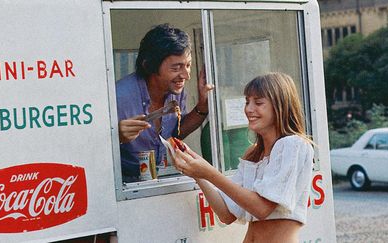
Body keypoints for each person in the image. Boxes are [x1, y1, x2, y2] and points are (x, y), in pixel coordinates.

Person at [172, 72, 314, 243]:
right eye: (247, 102)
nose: (248, 109)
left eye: (258, 102)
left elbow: (262, 208)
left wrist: (208, 172)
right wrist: (195, 170)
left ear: (280, 106)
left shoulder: (293, 145)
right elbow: (226, 214)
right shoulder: (253, 154)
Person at [116, 23, 213, 182]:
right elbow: (92, 151)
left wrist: (202, 107)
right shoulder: (119, 98)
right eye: (176, 68)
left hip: (160, 180)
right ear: (149, 66)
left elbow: (176, 133)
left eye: (188, 65)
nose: (186, 75)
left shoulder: (176, 91)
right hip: (125, 186)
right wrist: (116, 137)